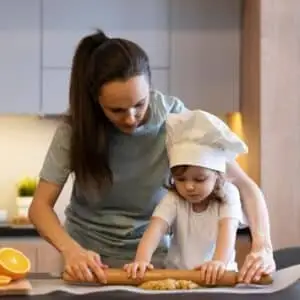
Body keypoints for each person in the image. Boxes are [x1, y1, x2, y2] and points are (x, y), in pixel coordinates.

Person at [28, 29, 275, 285]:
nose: (131, 117)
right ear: (96, 101)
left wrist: (262, 246)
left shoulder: (175, 120)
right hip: (89, 264)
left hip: (152, 264)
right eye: (117, 110)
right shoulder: (75, 130)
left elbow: (243, 185)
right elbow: (39, 208)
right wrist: (71, 251)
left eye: (140, 104)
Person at [124, 110, 248, 285]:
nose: (189, 187)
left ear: (217, 176)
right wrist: (141, 260)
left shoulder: (229, 194)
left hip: (220, 277)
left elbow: (227, 229)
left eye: (200, 179)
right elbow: (155, 229)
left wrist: (218, 262)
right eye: (180, 179)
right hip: (178, 276)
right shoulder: (174, 198)